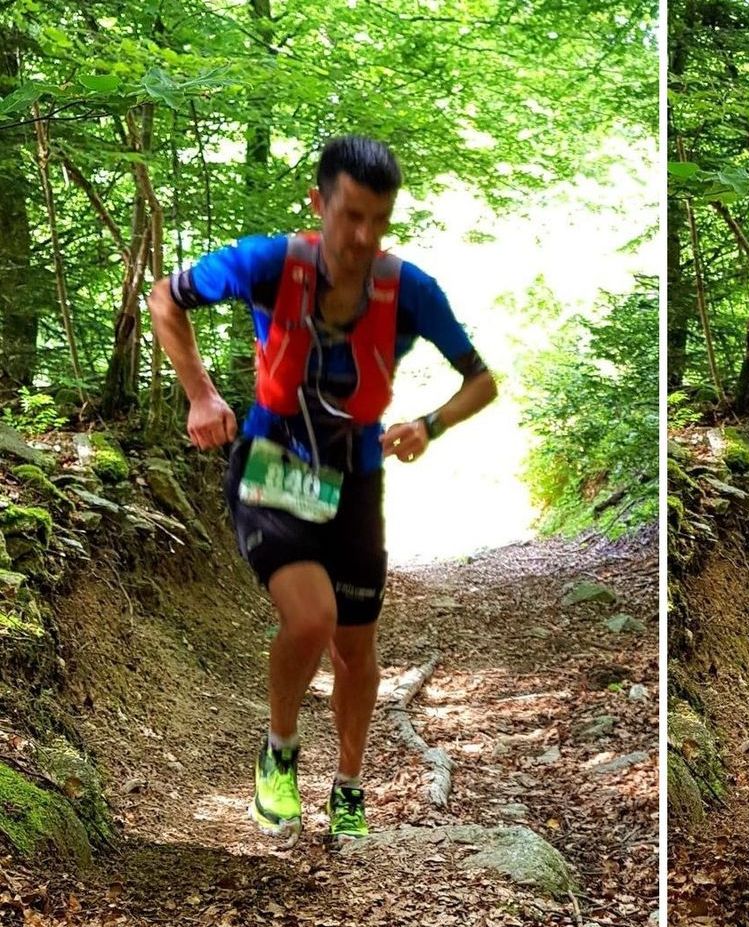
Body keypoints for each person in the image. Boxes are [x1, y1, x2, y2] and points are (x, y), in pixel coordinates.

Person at [149, 135, 497, 845]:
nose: (365, 236)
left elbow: (481, 379)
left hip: (355, 484)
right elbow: (165, 297)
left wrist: (428, 424)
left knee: (355, 652)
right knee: (310, 618)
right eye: (352, 217)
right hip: (270, 465)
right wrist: (201, 393)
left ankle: (348, 782)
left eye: (380, 219)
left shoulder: (411, 291)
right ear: (320, 203)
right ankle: (277, 754)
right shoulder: (270, 263)